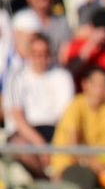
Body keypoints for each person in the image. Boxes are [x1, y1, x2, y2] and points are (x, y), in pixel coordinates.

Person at [4, 34, 76, 179]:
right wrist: (41, 146)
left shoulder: (62, 76)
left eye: (45, 54)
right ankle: (46, 184)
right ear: (29, 54)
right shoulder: (17, 77)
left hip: (56, 130)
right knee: (20, 146)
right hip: (27, 132)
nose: (41, 58)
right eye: (36, 54)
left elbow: (67, 116)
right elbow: (17, 117)